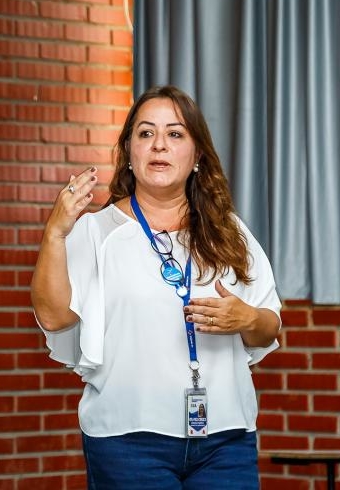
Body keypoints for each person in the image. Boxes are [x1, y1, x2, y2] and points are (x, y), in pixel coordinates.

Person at [31, 85, 281, 489]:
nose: (159, 144)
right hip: (128, 442)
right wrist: (55, 234)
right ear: (129, 152)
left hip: (225, 441)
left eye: (175, 133)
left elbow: (269, 327)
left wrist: (247, 318)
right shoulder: (96, 231)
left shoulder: (229, 231)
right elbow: (53, 317)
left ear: (197, 156)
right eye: (146, 133)